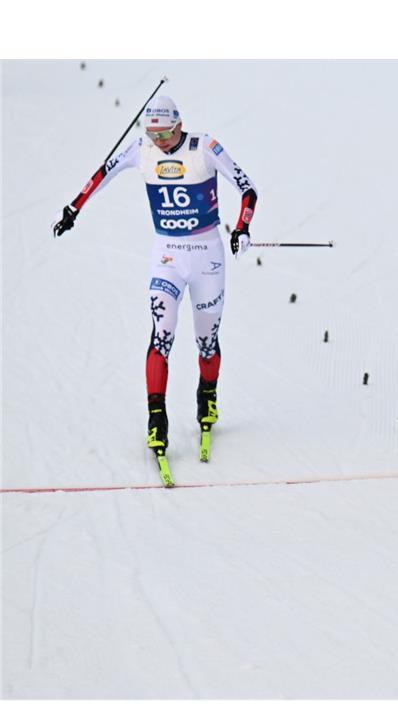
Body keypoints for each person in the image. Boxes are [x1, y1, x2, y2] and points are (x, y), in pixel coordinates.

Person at [53, 94, 258, 454]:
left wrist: (242, 229)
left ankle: (207, 394)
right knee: (161, 334)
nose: (159, 143)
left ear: (179, 125)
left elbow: (248, 188)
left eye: (164, 135)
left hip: (207, 254)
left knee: (206, 342)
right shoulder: (141, 148)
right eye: (153, 136)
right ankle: (156, 418)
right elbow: (103, 173)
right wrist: (74, 208)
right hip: (167, 255)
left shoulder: (204, 147)